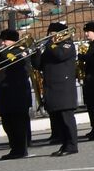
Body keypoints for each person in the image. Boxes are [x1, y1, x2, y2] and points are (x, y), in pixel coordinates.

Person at [33, 22, 79, 156]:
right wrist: (36, 52)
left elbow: (60, 55)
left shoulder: (67, 45)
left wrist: (50, 45)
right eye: (49, 34)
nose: (50, 37)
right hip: (52, 88)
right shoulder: (49, 48)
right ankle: (64, 144)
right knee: (58, 120)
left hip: (64, 88)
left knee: (67, 119)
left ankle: (72, 145)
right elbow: (38, 65)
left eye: (52, 34)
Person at [0, 30, 32, 159]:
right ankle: (15, 148)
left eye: (5, 40)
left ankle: (20, 149)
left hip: (17, 92)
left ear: (12, 40)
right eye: (2, 40)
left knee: (17, 123)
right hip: (5, 92)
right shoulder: (5, 53)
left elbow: (16, 61)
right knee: (7, 123)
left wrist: (3, 54)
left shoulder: (19, 50)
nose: (2, 43)